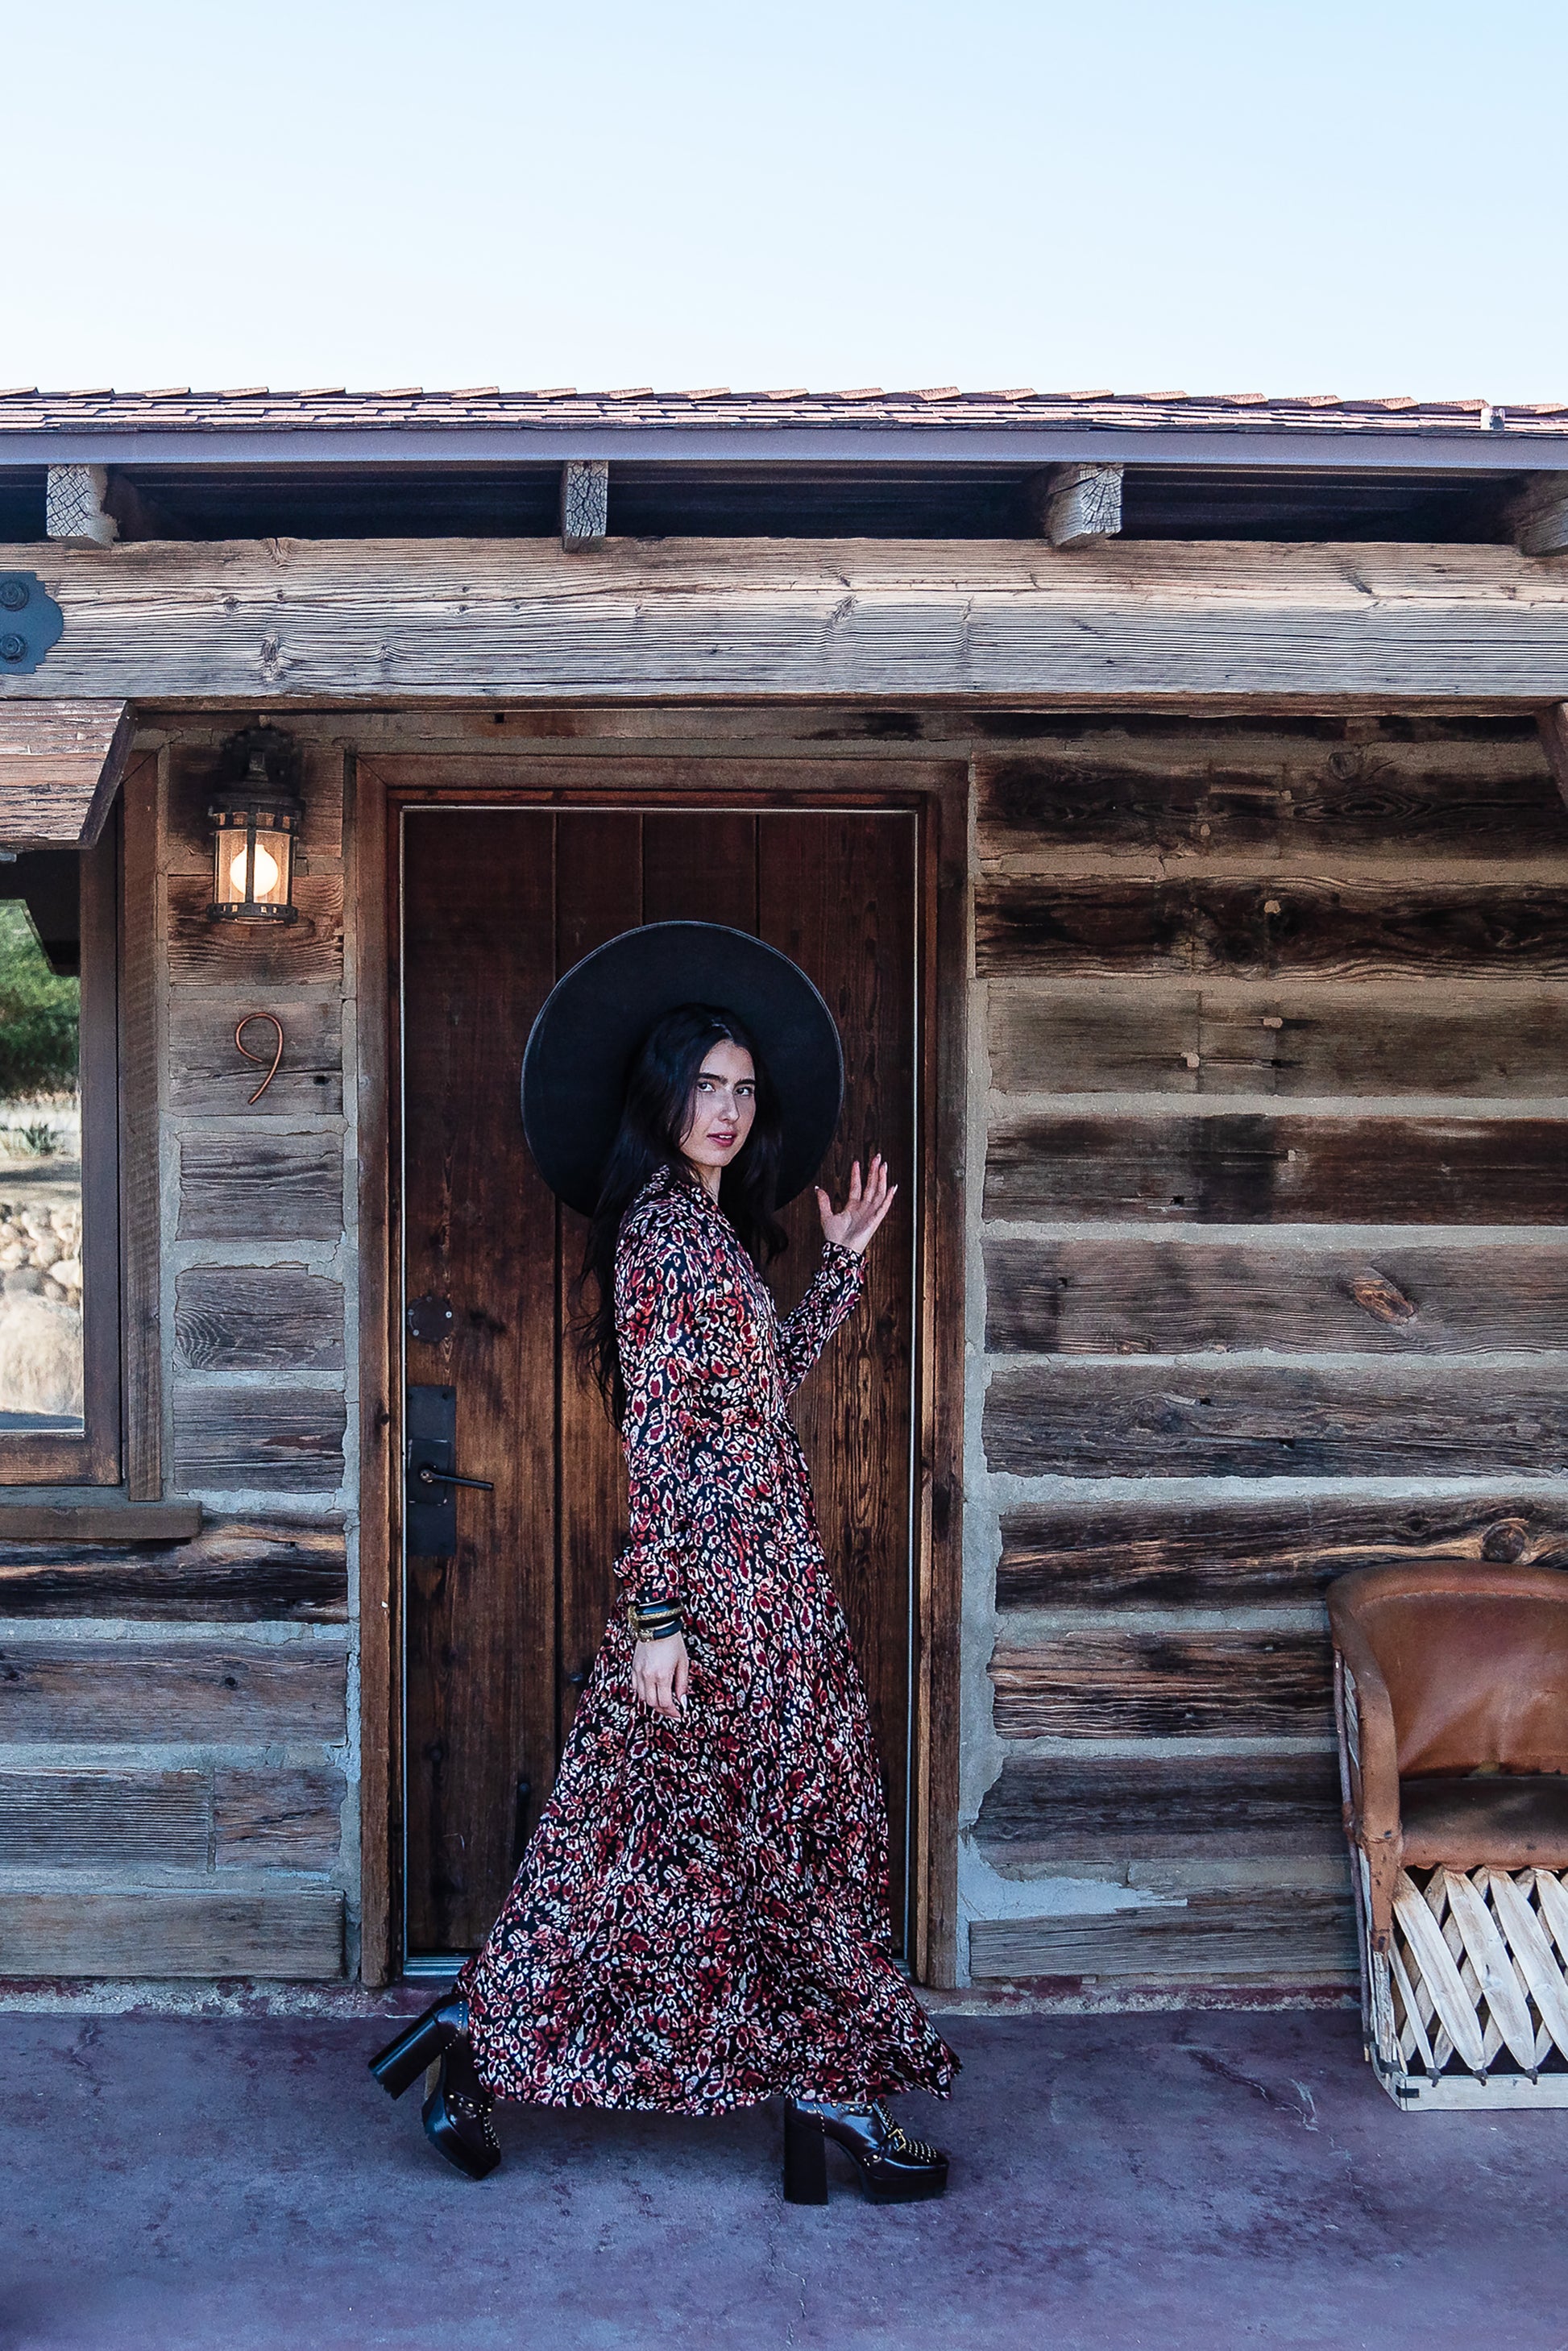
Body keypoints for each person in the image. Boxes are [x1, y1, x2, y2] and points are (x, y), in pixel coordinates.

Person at [371, 926, 956, 2203]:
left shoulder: (713, 1235)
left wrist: (843, 1268)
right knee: (708, 1846)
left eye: (745, 1090)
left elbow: (748, 1404)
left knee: (698, 1844)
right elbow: (659, 1439)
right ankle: (818, 2095)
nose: (729, 1111)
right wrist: (656, 1617)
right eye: (707, 1085)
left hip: (769, 1584)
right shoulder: (656, 1237)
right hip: (708, 1602)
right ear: (663, 1093)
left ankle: (486, 2041)